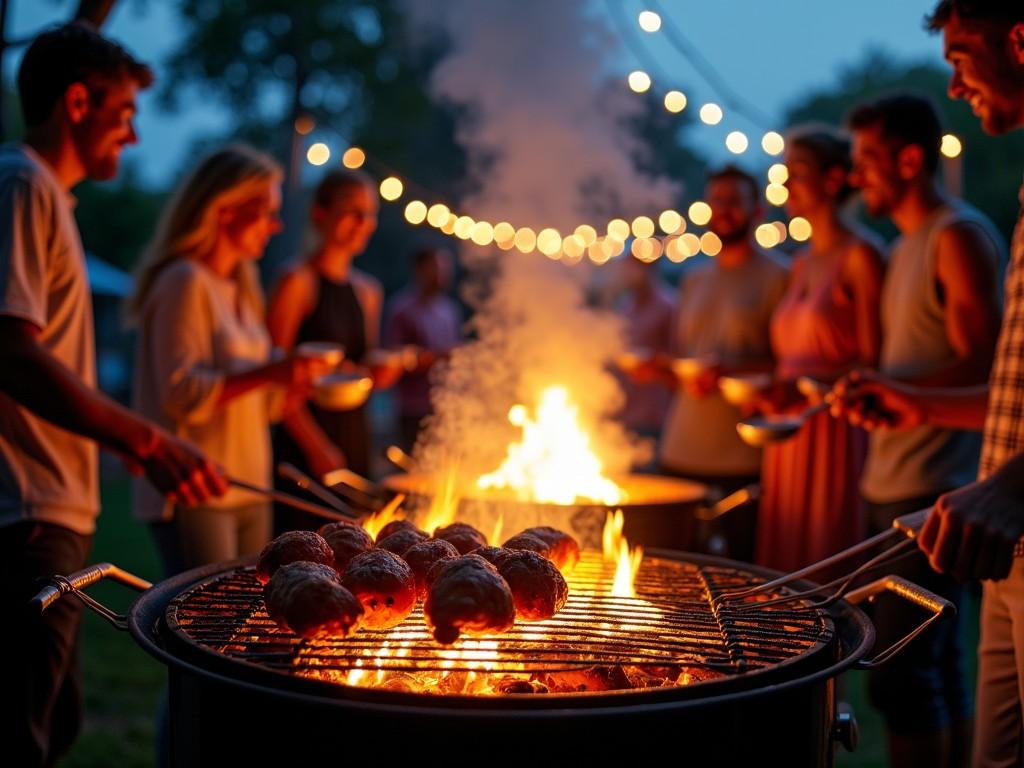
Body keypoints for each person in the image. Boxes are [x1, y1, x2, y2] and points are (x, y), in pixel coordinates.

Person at [0, 24, 225, 766]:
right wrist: (147, 439)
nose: (132, 136)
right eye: (124, 113)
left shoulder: (47, 196)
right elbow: (12, 352)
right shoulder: (24, 184)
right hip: (27, 511)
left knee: (51, 725)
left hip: (51, 506)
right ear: (75, 102)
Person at [832, 5, 1024, 766]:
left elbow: (977, 364)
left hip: (978, 495)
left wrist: (1008, 484)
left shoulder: (957, 235)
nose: (955, 82)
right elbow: (1008, 384)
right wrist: (900, 397)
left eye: (961, 55)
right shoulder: (911, 243)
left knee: (917, 679)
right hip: (986, 512)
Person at [127, 144, 329, 576]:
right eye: (266, 211)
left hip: (250, 485)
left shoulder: (241, 286)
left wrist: (288, 384)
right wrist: (271, 371)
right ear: (224, 210)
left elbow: (254, 401)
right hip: (198, 489)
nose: (275, 226)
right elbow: (180, 394)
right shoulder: (184, 280)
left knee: (241, 626)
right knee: (204, 627)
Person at [754, 125, 884, 575]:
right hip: (788, 427)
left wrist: (808, 386)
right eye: (784, 172)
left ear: (833, 179)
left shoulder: (862, 256)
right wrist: (774, 387)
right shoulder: (802, 261)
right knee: (784, 552)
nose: (786, 183)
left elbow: (874, 358)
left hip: (833, 424)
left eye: (798, 171)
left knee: (825, 556)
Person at [652, 165, 789, 559]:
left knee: (736, 573)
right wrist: (666, 368)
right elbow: (686, 355)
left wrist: (731, 371)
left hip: (741, 453)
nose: (723, 210)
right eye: (716, 201)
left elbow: (788, 363)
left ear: (756, 210)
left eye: (733, 202)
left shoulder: (779, 275)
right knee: (676, 572)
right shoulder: (694, 277)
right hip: (680, 447)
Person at [268, 169, 396, 532]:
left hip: (353, 435)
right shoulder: (297, 281)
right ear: (321, 214)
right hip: (305, 441)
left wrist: (378, 374)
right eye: (353, 211)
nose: (363, 223)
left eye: (370, 213)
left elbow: (357, 370)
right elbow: (273, 376)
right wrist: (316, 447)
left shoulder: (369, 291)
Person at [384, 246, 462, 453]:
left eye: (445, 268)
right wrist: (437, 357)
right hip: (414, 409)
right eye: (435, 268)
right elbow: (393, 360)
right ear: (419, 270)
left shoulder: (449, 310)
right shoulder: (401, 310)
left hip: (444, 405)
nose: (442, 275)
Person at [613, 256, 676, 445]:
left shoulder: (668, 305)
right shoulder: (625, 305)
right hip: (627, 408)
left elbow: (680, 353)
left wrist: (657, 363)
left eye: (636, 268)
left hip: (654, 409)